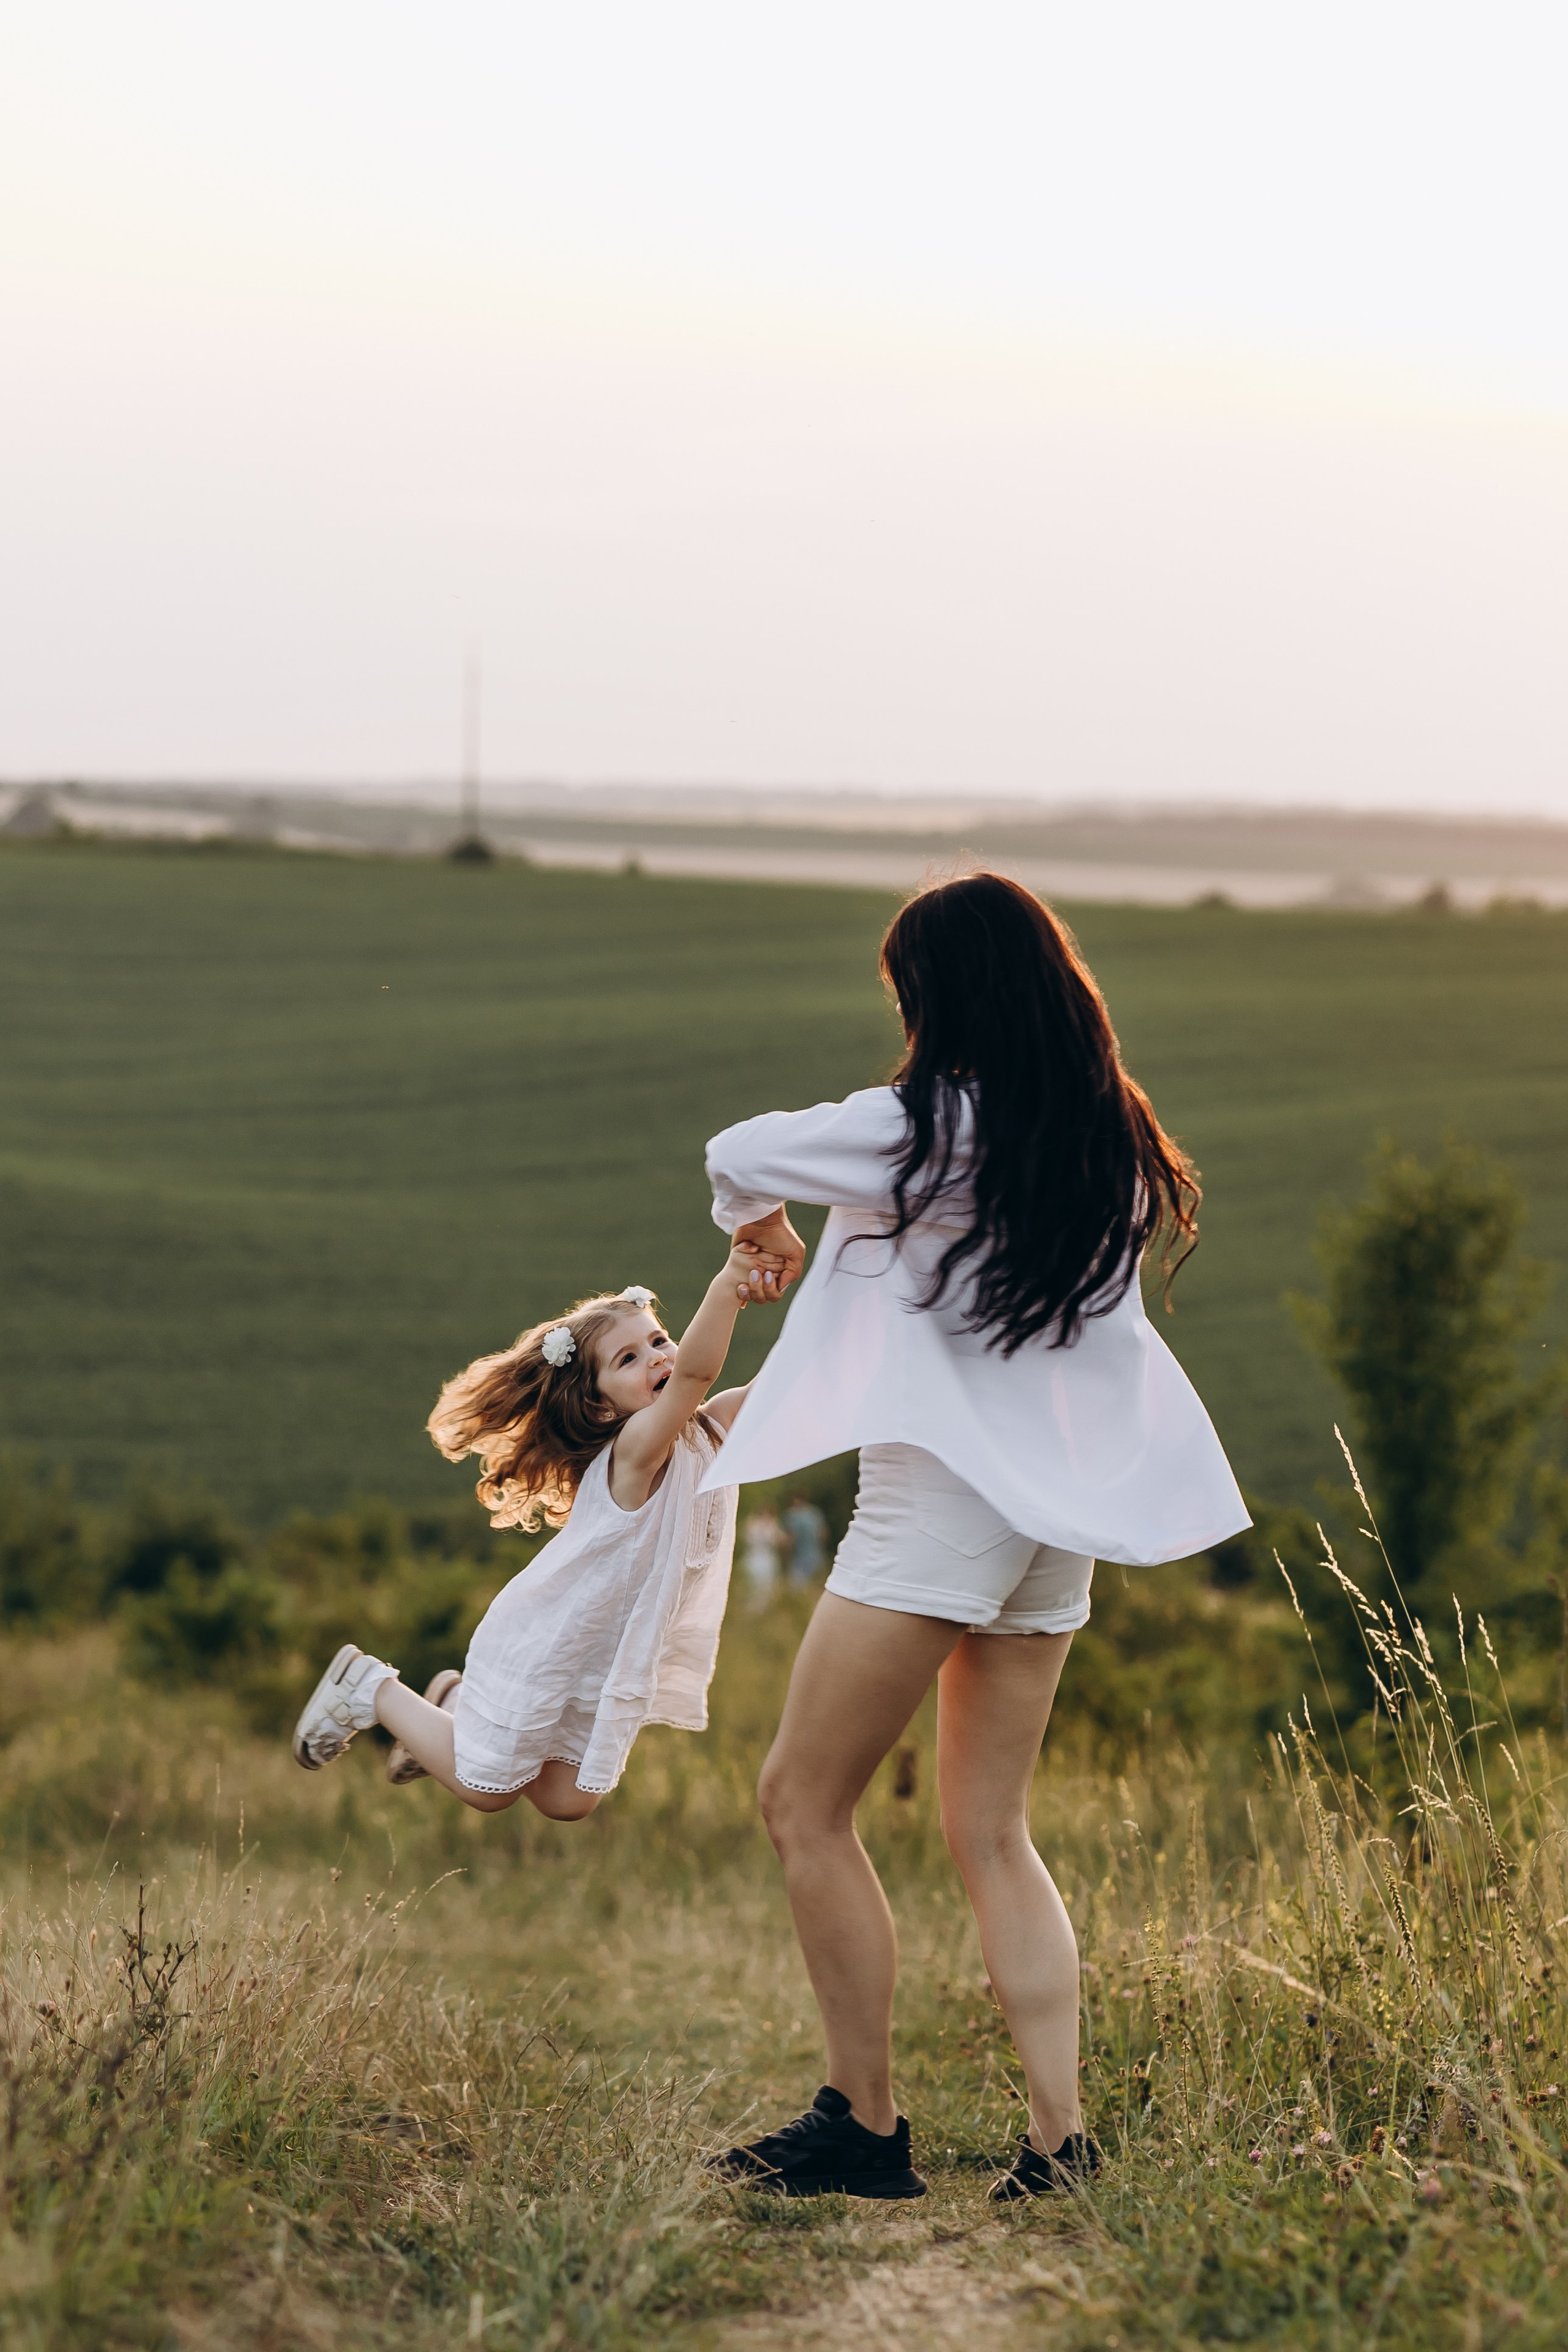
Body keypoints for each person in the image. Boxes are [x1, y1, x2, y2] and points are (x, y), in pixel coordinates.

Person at [699, 872, 1249, 2203]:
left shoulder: (920, 1125)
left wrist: (760, 1231)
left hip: (939, 1508)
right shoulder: (1108, 1137)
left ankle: (863, 2124)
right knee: (993, 1833)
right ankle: (1060, 2142)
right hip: (1055, 1519)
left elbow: (735, 1149)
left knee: (801, 1802)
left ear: (938, 995)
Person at [290, 1248, 784, 1812]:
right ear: (600, 1407)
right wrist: (732, 1282)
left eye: (658, 1340)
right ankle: (369, 1686)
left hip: (605, 1652)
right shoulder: (635, 1453)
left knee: (568, 1801)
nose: (656, 1357)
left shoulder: (712, 1429)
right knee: (486, 1791)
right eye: (628, 1359)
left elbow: (784, 1381)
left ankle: (452, 1703)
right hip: (556, 1638)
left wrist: (846, 1304)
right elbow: (694, 1373)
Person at [780, 1492, 830, 1586]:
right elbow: (789, 1536)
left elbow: (823, 1533)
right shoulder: (791, 1515)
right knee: (801, 1583)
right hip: (799, 1555)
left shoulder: (813, 1513)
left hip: (812, 1553)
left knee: (812, 1583)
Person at [741, 1505, 785, 1605]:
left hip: (758, 1558)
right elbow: (776, 1541)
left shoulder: (751, 1524)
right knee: (759, 1584)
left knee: (761, 1585)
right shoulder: (765, 1526)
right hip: (760, 1558)